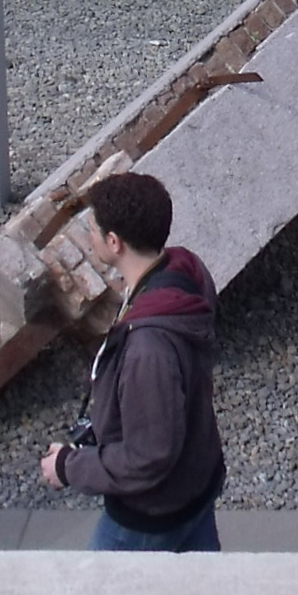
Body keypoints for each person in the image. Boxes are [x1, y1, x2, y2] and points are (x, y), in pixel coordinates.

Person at [39, 171, 224, 551]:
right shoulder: (182, 274)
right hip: (196, 486)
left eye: (92, 230)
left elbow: (148, 456)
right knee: (202, 585)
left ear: (114, 242)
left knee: (103, 589)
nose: (88, 238)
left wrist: (68, 467)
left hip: (150, 516)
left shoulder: (147, 351)